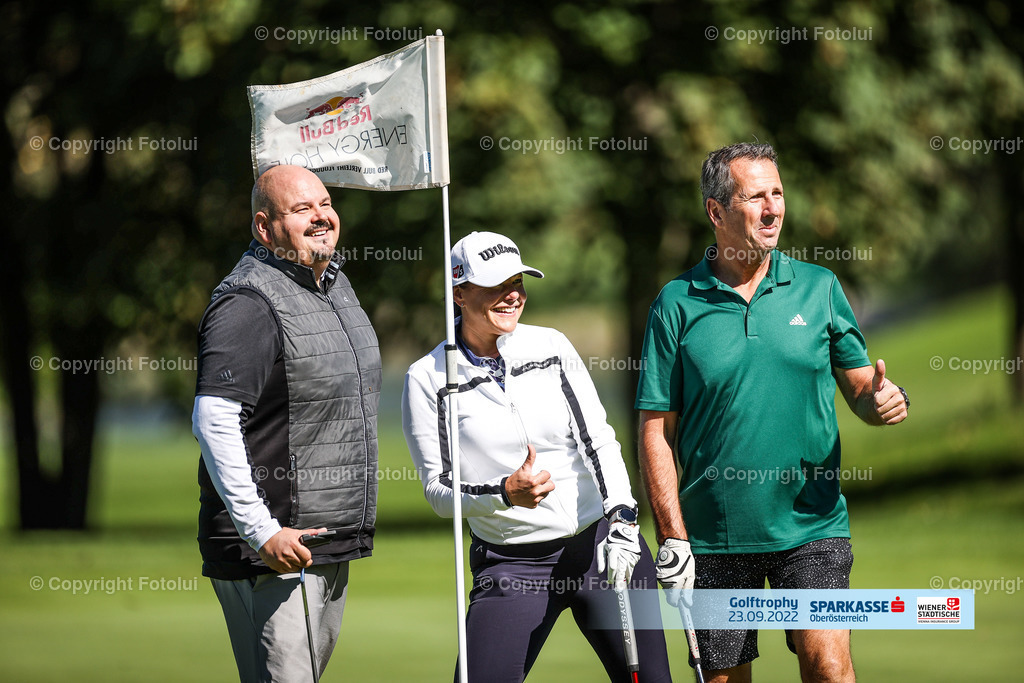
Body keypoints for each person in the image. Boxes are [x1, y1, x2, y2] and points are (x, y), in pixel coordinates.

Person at [635, 142, 909, 683]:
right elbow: (656, 431)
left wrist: (880, 401)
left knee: (830, 668)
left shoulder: (819, 287)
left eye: (777, 194)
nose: (772, 209)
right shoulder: (675, 303)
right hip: (714, 537)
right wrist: (672, 535)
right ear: (716, 212)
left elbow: (861, 387)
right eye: (755, 197)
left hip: (812, 526)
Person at [402, 231, 673, 683]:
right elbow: (439, 490)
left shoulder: (550, 346)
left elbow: (598, 439)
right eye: (496, 285)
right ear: (459, 293)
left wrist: (623, 517)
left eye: (518, 282)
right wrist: (504, 494)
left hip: (602, 546)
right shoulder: (428, 377)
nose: (513, 295)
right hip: (513, 564)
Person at [192, 164, 381, 682]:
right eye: (301, 209)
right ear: (264, 226)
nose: (321, 217)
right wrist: (261, 532)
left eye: (325, 204)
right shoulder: (248, 302)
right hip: (275, 551)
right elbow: (214, 420)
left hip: (323, 544)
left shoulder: (333, 284)